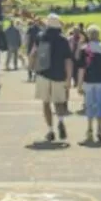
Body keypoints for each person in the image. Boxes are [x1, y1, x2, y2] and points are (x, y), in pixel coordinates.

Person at [32, 14, 75, 143]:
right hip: (59, 74)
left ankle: (50, 130)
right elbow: (68, 60)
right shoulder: (63, 40)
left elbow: (33, 53)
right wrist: (68, 78)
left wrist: (31, 66)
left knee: (46, 103)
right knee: (59, 102)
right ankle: (61, 121)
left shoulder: (40, 37)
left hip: (44, 73)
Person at [77, 24, 101, 145]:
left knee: (89, 104)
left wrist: (79, 84)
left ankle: (89, 129)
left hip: (88, 80)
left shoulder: (84, 49)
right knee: (100, 104)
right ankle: (100, 129)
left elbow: (81, 68)